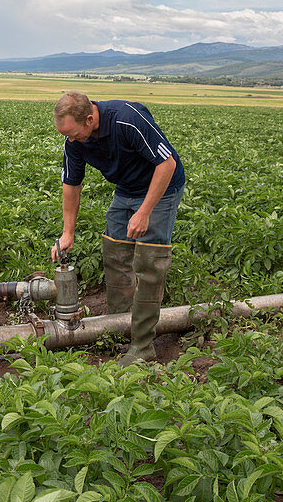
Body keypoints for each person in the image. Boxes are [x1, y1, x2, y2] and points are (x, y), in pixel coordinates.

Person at [51, 91, 185, 365]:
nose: (72, 141)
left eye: (75, 135)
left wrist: (144, 212)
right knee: (115, 252)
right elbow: (71, 184)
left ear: (89, 119)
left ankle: (143, 347)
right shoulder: (74, 141)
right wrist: (68, 232)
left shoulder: (127, 119)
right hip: (126, 189)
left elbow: (167, 163)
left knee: (149, 262)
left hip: (161, 187)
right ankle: (118, 326)